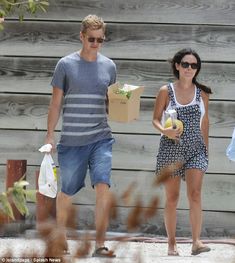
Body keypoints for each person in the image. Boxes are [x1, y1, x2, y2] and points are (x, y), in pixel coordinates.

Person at [45, 14, 117, 257]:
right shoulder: (65, 65)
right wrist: (49, 135)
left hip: (101, 137)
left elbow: (111, 104)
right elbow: (55, 104)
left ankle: (100, 244)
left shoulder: (110, 66)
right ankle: (61, 233)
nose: (95, 44)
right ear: (81, 36)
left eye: (100, 40)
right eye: (91, 39)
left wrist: (124, 104)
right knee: (66, 191)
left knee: (102, 186)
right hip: (72, 140)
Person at [152, 48, 212, 256]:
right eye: (185, 64)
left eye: (193, 65)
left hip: (196, 149)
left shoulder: (202, 94)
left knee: (195, 194)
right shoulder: (165, 91)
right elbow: (155, 119)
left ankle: (196, 242)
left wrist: (205, 150)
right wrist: (164, 131)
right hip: (171, 148)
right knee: (172, 197)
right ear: (177, 66)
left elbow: (205, 123)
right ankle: (171, 243)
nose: (189, 68)